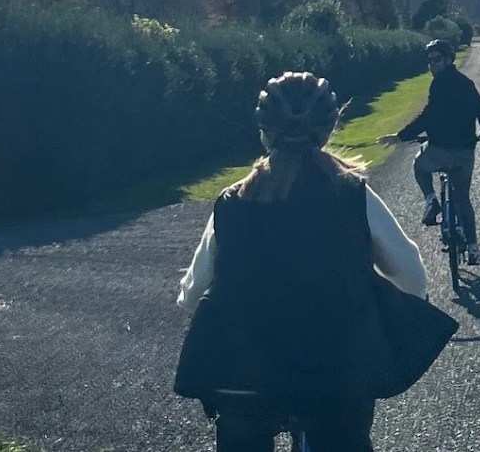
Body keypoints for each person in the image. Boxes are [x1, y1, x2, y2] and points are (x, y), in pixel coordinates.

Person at [176, 71, 428, 452]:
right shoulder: (352, 195)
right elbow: (410, 274)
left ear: (265, 132)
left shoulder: (232, 200)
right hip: (337, 370)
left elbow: (194, 292)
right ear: (328, 130)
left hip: (246, 375)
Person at [380, 39, 480, 265]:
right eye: (430, 61)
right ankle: (473, 247)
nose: (432, 65)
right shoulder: (466, 83)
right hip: (464, 151)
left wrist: (400, 136)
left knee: (419, 166)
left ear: (448, 59)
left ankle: (431, 200)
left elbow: (428, 117)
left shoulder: (439, 84)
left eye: (437, 60)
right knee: (463, 199)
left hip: (439, 149)